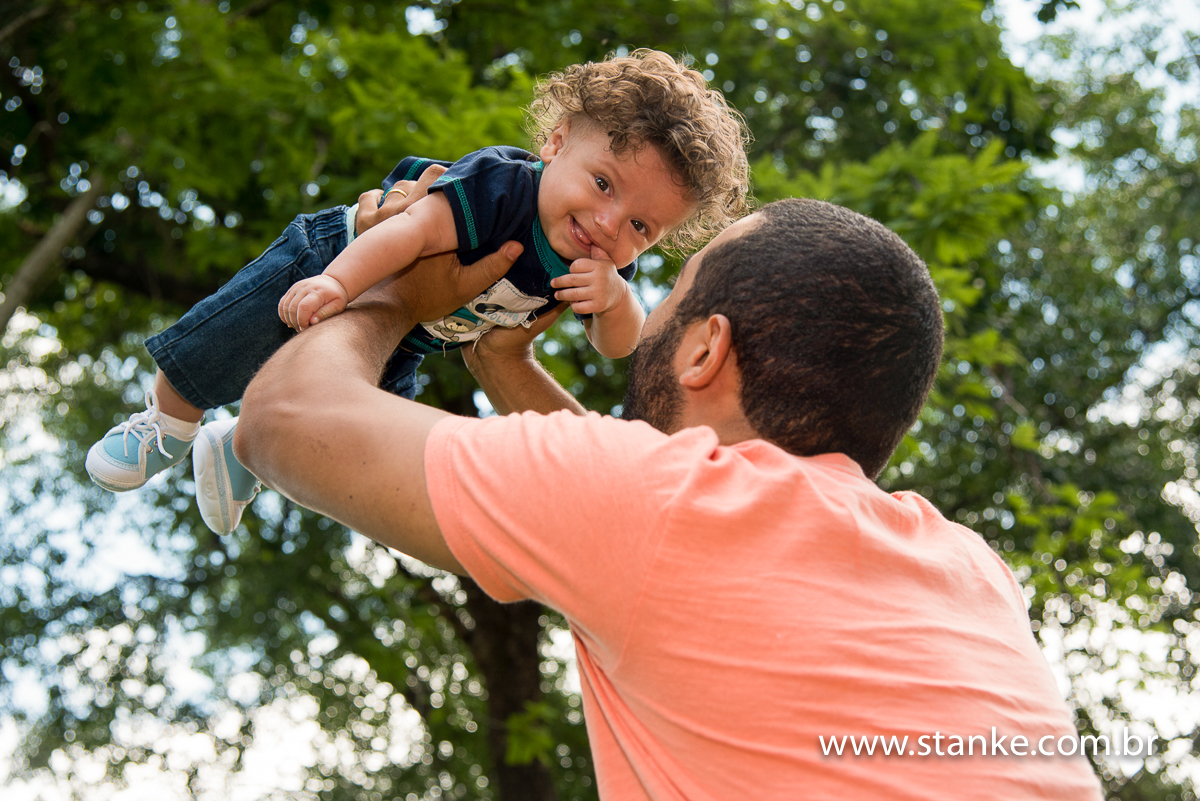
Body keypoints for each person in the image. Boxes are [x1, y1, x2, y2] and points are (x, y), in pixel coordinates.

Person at [232, 183, 1106, 799]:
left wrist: (394, 289)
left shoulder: (660, 507)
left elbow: (285, 415)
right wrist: (505, 361)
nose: (643, 318)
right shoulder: (967, 567)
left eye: (670, 298)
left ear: (703, 349)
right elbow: (655, 518)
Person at [84, 49, 751, 536]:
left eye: (640, 225)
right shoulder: (501, 188)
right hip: (349, 256)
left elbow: (618, 346)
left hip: (417, 334)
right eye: (603, 183)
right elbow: (411, 230)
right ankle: (167, 422)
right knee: (232, 336)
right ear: (554, 144)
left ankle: (237, 453)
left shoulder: (603, 266)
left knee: (358, 435)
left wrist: (611, 302)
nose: (609, 225)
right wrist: (337, 280)